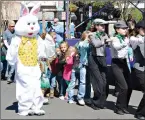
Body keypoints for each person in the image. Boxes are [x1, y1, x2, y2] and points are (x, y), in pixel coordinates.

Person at [6, 3, 45, 116]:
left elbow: (41, 49)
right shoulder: (17, 38)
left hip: (34, 65)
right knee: (25, 86)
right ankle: (24, 108)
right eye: (29, 24)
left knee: (36, 86)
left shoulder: (36, 38)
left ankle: (36, 106)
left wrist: (42, 57)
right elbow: (12, 51)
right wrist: (11, 60)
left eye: (33, 23)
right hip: (22, 66)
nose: (32, 26)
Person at [86, 19, 111, 110]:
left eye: (104, 25)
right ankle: (95, 102)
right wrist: (106, 41)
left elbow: (108, 45)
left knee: (104, 82)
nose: (103, 27)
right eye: (101, 25)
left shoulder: (105, 35)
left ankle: (101, 102)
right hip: (94, 59)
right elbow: (96, 44)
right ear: (96, 26)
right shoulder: (92, 35)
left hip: (102, 58)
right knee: (98, 82)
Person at [111, 21, 133, 115]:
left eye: (126, 28)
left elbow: (129, 48)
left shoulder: (126, 38)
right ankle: (118, 107)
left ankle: (124, 106)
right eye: (123, 28)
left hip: (124, 62)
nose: (125, 30)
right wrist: (125, 44)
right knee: (123, 87)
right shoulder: (115, 38)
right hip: (116, 63)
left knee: (130, 87)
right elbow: (117, 47)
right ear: (117, 29)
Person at [129, 20, 145, 119]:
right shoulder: (135, 39)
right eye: (143, 28)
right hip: (140, 68)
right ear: (138, 29)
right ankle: (139, 113)